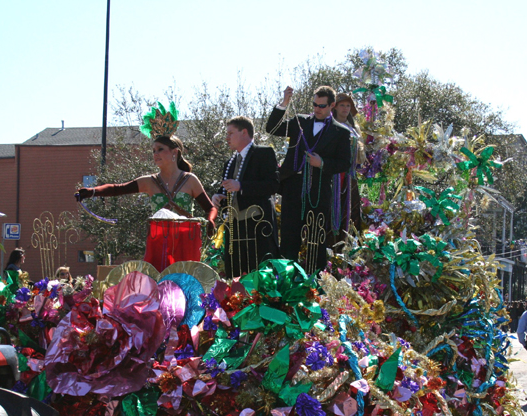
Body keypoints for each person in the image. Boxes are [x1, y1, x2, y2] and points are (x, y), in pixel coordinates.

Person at [76, 134, 217, 271]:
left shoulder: (190, 180)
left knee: (186, 281)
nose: (156, 154)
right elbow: (117, 188)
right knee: (157, 280)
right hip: (159, 239)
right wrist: (92, 191)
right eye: (153, 151)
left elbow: (210, 208)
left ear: (175, 152)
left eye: (160, 149)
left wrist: (211, 220)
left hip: (186, 239)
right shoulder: (149, 181)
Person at [265, 85, 352, 273]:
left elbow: (345, 163)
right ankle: (286, 279)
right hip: (293, 187)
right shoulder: (300, 121)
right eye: (314, 105)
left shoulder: (341, 132)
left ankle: (314, 284)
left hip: (319, 190)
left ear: (332, 106)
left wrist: (322, 163)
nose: (317, 109)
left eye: (321, 106)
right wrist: (284, 103)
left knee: (316, 237)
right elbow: (272, 128)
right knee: (289, 236)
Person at [212, 116, 280, 278]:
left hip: (257, 225)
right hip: (234, 226)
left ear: (244, 132)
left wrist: (242, 186)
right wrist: (219, 196)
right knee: (235, 274)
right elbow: (228, 190)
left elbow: (273, 185)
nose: (227, 137)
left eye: (230, 133)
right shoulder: (230, 162)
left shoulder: (263, 153)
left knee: (259, 272)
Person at [330, 93, 364, 239]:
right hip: (333, 175)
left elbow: (360, 157)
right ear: (335, 107)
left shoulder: (354, 130)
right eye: (342, 105)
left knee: (351, 210)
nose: (345, 108)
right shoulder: (329, 126)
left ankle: (348, 245)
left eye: (348, 106)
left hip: (350, 176)